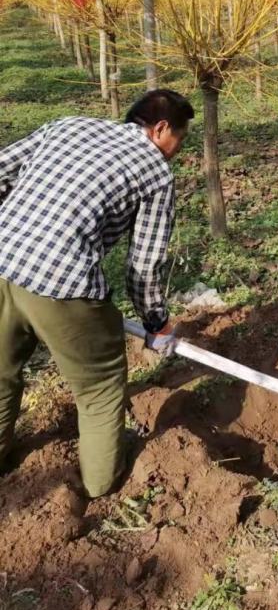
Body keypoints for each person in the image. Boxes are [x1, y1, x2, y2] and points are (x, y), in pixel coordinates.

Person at [0, 89, 194, 497]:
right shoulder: (156, 173)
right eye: (181, 137)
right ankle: (101, 487)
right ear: (160, 129)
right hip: (64, 288)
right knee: (99, 390)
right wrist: (156, 322)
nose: (179, 149)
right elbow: (144, 265)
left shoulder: (67, 125)